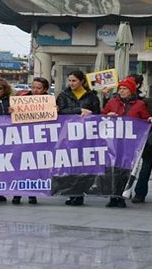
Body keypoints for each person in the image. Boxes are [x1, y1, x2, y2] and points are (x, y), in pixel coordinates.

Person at [102, 76, 150, 208]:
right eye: (120, 88)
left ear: (131, 90)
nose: (122, 91)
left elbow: (145, 120)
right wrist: (107, 116)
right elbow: (101, 117)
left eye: (125, 89)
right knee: (112, 169)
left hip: (130, 143)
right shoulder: (112, 102)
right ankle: (113, 196)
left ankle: (121, 195)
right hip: (114, 142)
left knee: (125, 169)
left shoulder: (139, 104)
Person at [56, 70, 101, 206]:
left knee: (81, 166)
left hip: (86, 135)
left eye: (74, 80)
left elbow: (98, 114)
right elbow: (59, 112)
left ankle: (79, 194)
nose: (71, 83)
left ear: (82, 81)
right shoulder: (63, 95)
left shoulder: (92, 96)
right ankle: (71, 193)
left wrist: (90, 114)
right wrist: (78, 111)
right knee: (69, 165)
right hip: (68, 135)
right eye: (69, 80)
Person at [12, 77, 49, 205]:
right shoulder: (22, 100)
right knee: (20, 167)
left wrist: (56, 109)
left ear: (45, 89)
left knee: (34, 167)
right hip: (22, 137)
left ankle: (32, 194)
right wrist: (11, 110)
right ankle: (17, 194)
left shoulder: (49, 101)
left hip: (39, 139)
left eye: (39, 88)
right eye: (33, 87)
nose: (35, 90)